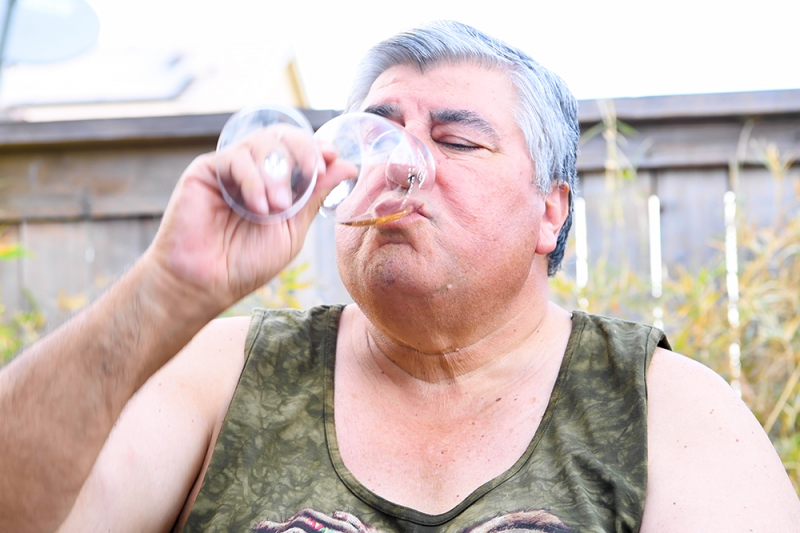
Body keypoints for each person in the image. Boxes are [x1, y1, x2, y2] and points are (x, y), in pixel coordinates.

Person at [1, 20, 798, 533]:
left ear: (550, 211)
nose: (401, 164)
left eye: (455, 142)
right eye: (378, 135)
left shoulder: (667, 406)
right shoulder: (228, 373)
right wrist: (167, 290)